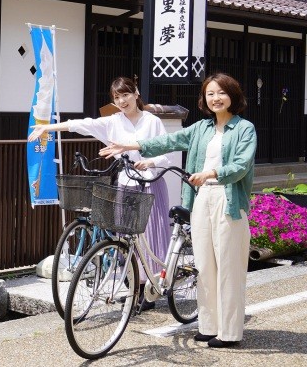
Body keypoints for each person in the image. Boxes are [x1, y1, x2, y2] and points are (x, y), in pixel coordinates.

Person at [99, 72, 256, 348]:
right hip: (201, 198)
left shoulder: (244, 128)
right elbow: (168, 142)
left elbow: (241, 166)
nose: (216, 98)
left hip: (228, 200)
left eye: (221, 92)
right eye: (210, 94)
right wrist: (131, 145)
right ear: (204, 99)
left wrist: (209, 173)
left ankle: (230, 332)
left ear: (232, 95)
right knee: (205, 265)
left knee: (228, 267)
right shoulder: (201, 128)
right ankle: (209, 326)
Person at [28, 76, 172, 309]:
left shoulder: (152, 121)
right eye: (117, 97)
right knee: (125, 238)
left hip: (150, 183)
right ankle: (135, 286)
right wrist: (48, 127)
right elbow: (81, 124)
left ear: (136, 93)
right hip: (125, 185)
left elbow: (167, 154)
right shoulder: (113, 122)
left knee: (151, 238)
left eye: (125, 95)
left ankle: (151, 287)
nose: (122, 101)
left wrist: (151, 162)